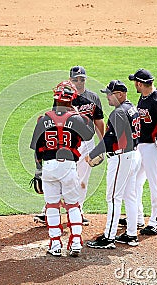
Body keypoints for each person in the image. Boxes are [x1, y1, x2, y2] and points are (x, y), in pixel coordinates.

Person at [30, 80, 95, 257]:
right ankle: (75, 242)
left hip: (49, 168)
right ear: (72, 99)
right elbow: (89, 133)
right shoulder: (76, 118)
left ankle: (55, 244)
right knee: (73, 205)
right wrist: (78, 115)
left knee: (52, 206)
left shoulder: (43, 119)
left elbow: (37, 149)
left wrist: (38, 171)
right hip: (68, 167)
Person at [33, 66, 104, 226]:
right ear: (70, 79)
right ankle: (49, 210)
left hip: (86, 143)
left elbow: (98, 121)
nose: (79, 82)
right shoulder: (62, 96)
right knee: (61, 175)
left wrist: (103, 144)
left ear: (86, 79)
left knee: (82, 180)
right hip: (67, 143)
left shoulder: (93, 98)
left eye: (82, 79)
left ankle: (79, 210)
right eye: (75, 79)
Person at [85, 80, 141, 249]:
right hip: (134, 155)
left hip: (121, 157)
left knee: (113, 197)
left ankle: (109, 238)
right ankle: (131, 235)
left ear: (120, 94)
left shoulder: (118, 113)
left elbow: (110, 138)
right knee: (130, 195)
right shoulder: (132, 109)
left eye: (110, 94)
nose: (107, 97)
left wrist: (92, 154)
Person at [128, 68, 157, 235]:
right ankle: (138, 217)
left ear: (140, 84)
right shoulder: (144, 96)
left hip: (153, 149)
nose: (134, 84)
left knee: (156, 185)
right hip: (141, 146)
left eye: (135, 81)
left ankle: (156, 222)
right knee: (135, 181)